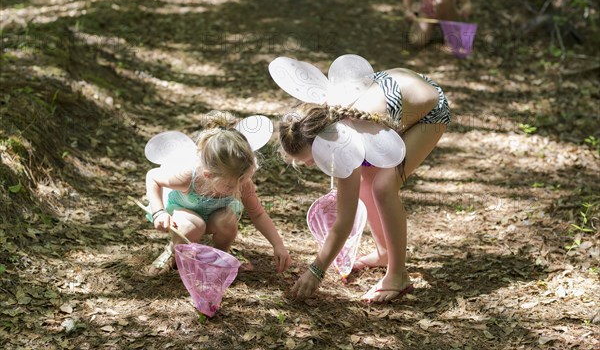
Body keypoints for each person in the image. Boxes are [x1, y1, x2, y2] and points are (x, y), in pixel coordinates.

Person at [278, 68, 450, 303]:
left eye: (309, 158)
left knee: (384, 187)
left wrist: (317, 270)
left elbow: (344, 221)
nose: (308, 164)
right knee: (367, 182)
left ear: (325, 142)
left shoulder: (344, 137)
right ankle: (384, 253)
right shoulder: (322, 121)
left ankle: (398, 275)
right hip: (392, 104)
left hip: (429, 108)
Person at [144, 111, 292, 276]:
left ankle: (219, 256)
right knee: (193, 225)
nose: (237, 189)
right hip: (185, 213)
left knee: (227, 222)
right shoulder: (188, 176)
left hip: (215, 215)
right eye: (230, 186)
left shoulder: (240, 181)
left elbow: (257, 214)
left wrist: (278, 244)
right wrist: (159, 212)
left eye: (241, 183)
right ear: (208, 175)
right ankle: (173, 251)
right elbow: (153, 177)